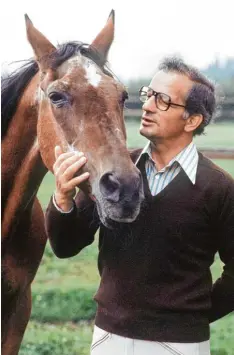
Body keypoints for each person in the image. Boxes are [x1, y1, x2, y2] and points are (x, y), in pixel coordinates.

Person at [45, 57, 234, 355]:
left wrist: (191, 317)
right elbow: (65, 246)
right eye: (148, 95)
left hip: (180, 344)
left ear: (193, 119)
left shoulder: (219, 187)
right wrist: (62, 200)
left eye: (162, 100)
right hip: (109, 338)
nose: (146, 106)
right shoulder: (117, 173)